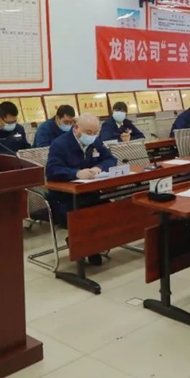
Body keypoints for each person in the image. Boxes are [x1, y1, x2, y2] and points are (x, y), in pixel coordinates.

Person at [46, 113, 117, 265]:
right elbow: (52, 170)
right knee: (83, 217)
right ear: (76, 127)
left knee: (109, 210)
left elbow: (111, 159)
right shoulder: (60, 144)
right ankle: (84, 246)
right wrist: (76, 173)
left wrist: (99, 167)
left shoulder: (95, 141)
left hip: (89, 193)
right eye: (88, 132)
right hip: (64, 198)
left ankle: (93, 246)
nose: (92, 136)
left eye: (95, 132)